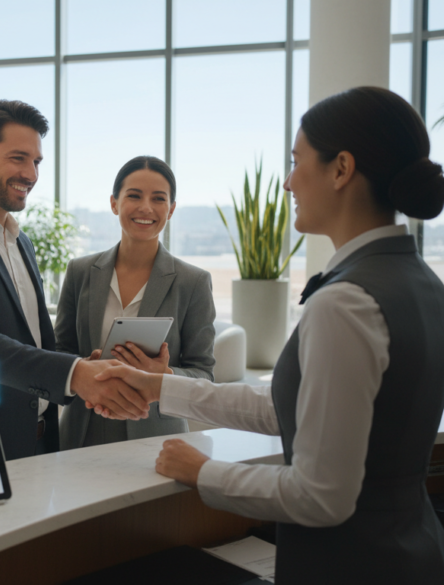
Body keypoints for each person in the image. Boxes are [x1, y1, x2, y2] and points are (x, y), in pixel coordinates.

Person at [94, 87, 444, 583]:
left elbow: (321, 494)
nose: (287, 182)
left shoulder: (345, 302)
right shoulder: (421, 283)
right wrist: (158, 386)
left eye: (298, 161)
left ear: (341, 169)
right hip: (412, 551)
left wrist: (202, 471)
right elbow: (290, 408)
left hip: (351, 564)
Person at [0, 99, 150, 461]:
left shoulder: (21, 241)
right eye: (18, 158)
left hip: (38, 441)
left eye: (36, 162)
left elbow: (28, 338)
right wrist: (75, 373)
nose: (31, 174)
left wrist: (86, 364)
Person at [55, 156, 215, 450]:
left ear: (171, 209)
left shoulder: (193, 282)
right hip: (82, 433)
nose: (146, 208)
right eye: (134, 196)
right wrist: (82, 368)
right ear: (114, 203)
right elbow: (58, 350)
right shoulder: (79, 272)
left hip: (156, 436)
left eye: (158, 199)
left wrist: (164, 375)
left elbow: (204, 374)